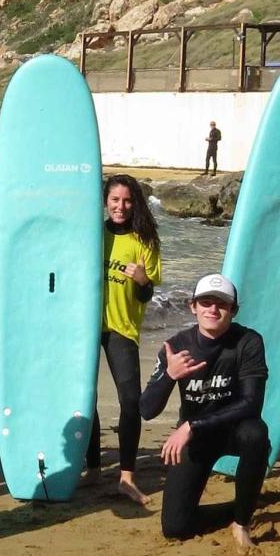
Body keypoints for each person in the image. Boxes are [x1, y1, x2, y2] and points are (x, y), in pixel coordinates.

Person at [141, 273, 268, 548]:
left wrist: (190, 426)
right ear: (192, 306)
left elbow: (251, 403)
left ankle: (242, 521)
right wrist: (169, 376)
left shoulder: (248, 342)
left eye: (221, 304)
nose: (213, 309)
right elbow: (147, 410)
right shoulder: (176, 347)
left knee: (257, 434)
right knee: (175, 528)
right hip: (197, 440)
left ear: (233, 311)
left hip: (235, 430)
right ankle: (239, 504)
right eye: (205, 302)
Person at [86, 174, 162, 505]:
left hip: (121, 327)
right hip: (86, 327)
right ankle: (93, 469)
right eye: (115, 200)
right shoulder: (91, 234)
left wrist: (143, 280)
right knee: (83, 398)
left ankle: (127, 477)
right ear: (105, 201)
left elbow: (146, 295)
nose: (121, 206)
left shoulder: (145, 240)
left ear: (136, 203)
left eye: (128, 201)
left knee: (130, 400)